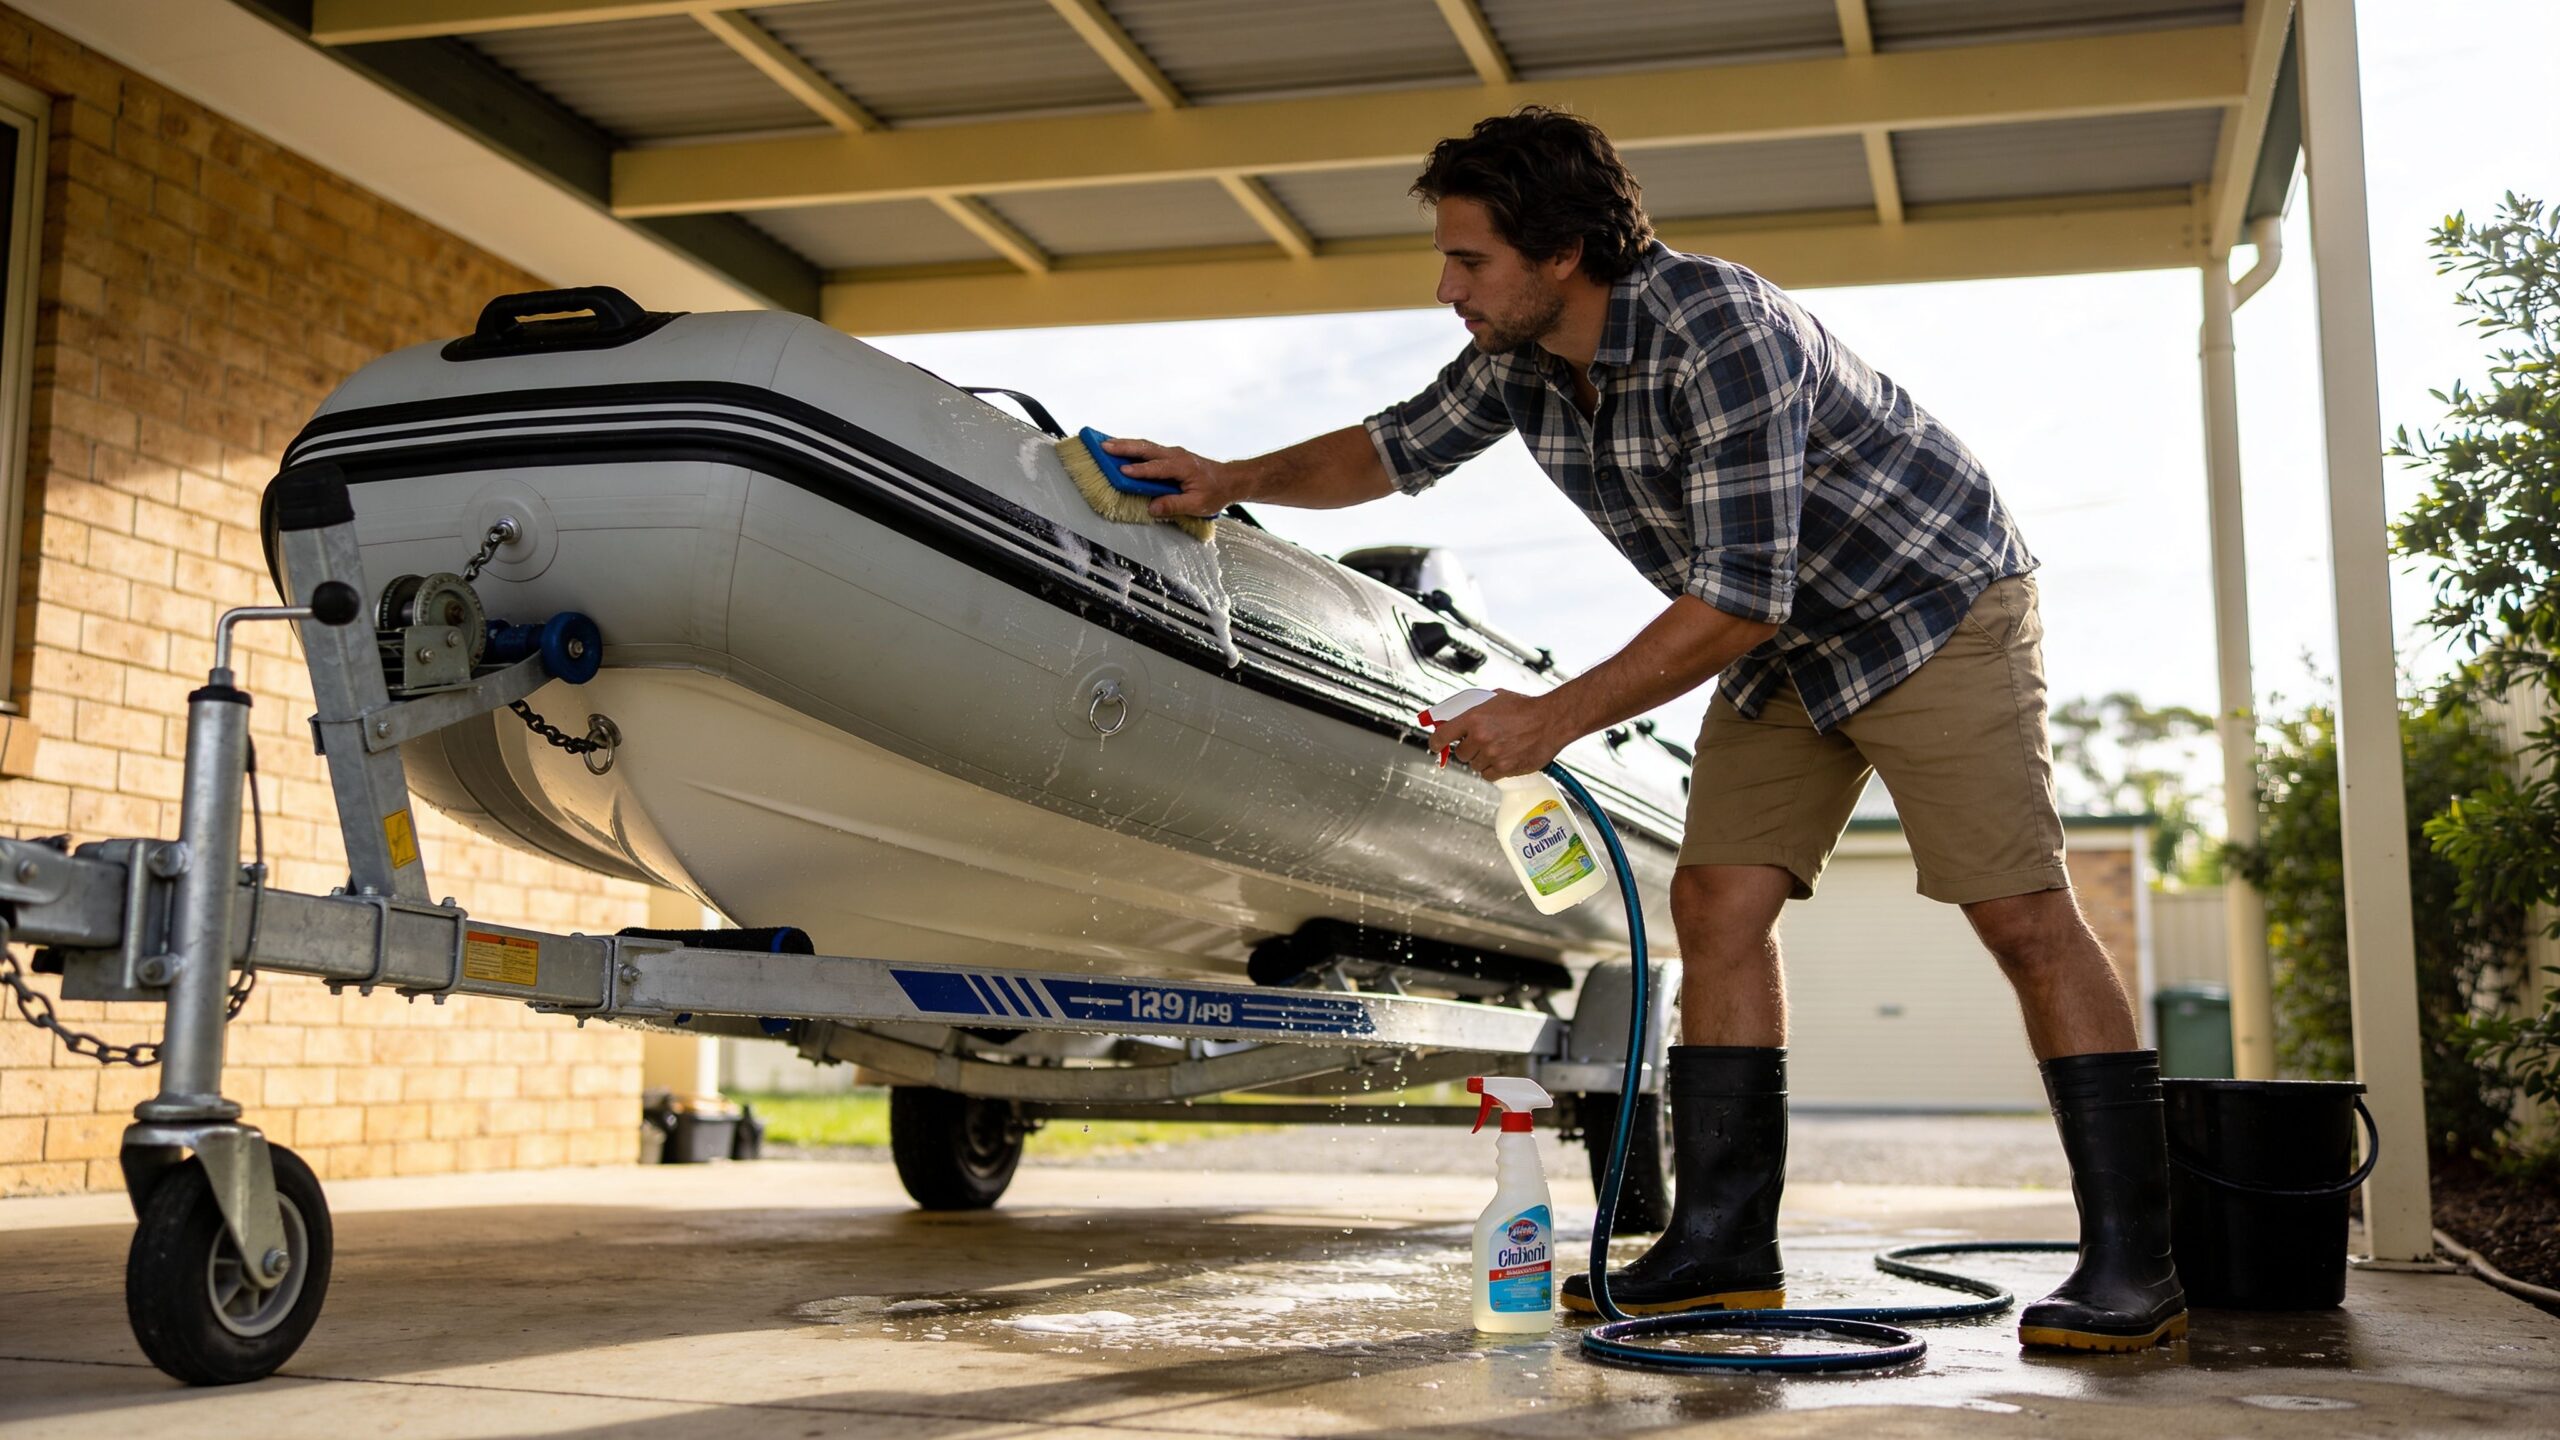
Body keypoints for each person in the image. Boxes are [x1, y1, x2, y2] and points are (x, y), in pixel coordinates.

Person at [1101, 107, 2185, 1353]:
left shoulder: (1719, 330)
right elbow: (1390, 451)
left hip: (1925, 604)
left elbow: (1733, 597)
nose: (1446, 284)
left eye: (1470, 260)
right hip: (1782, 636)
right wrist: (1223, 478)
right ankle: (1726, 1247)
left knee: (2018, 914)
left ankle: (2133, 1266)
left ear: (1562, 252)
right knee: (1718, 908)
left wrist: (1549, 718)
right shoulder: (1517, 357)